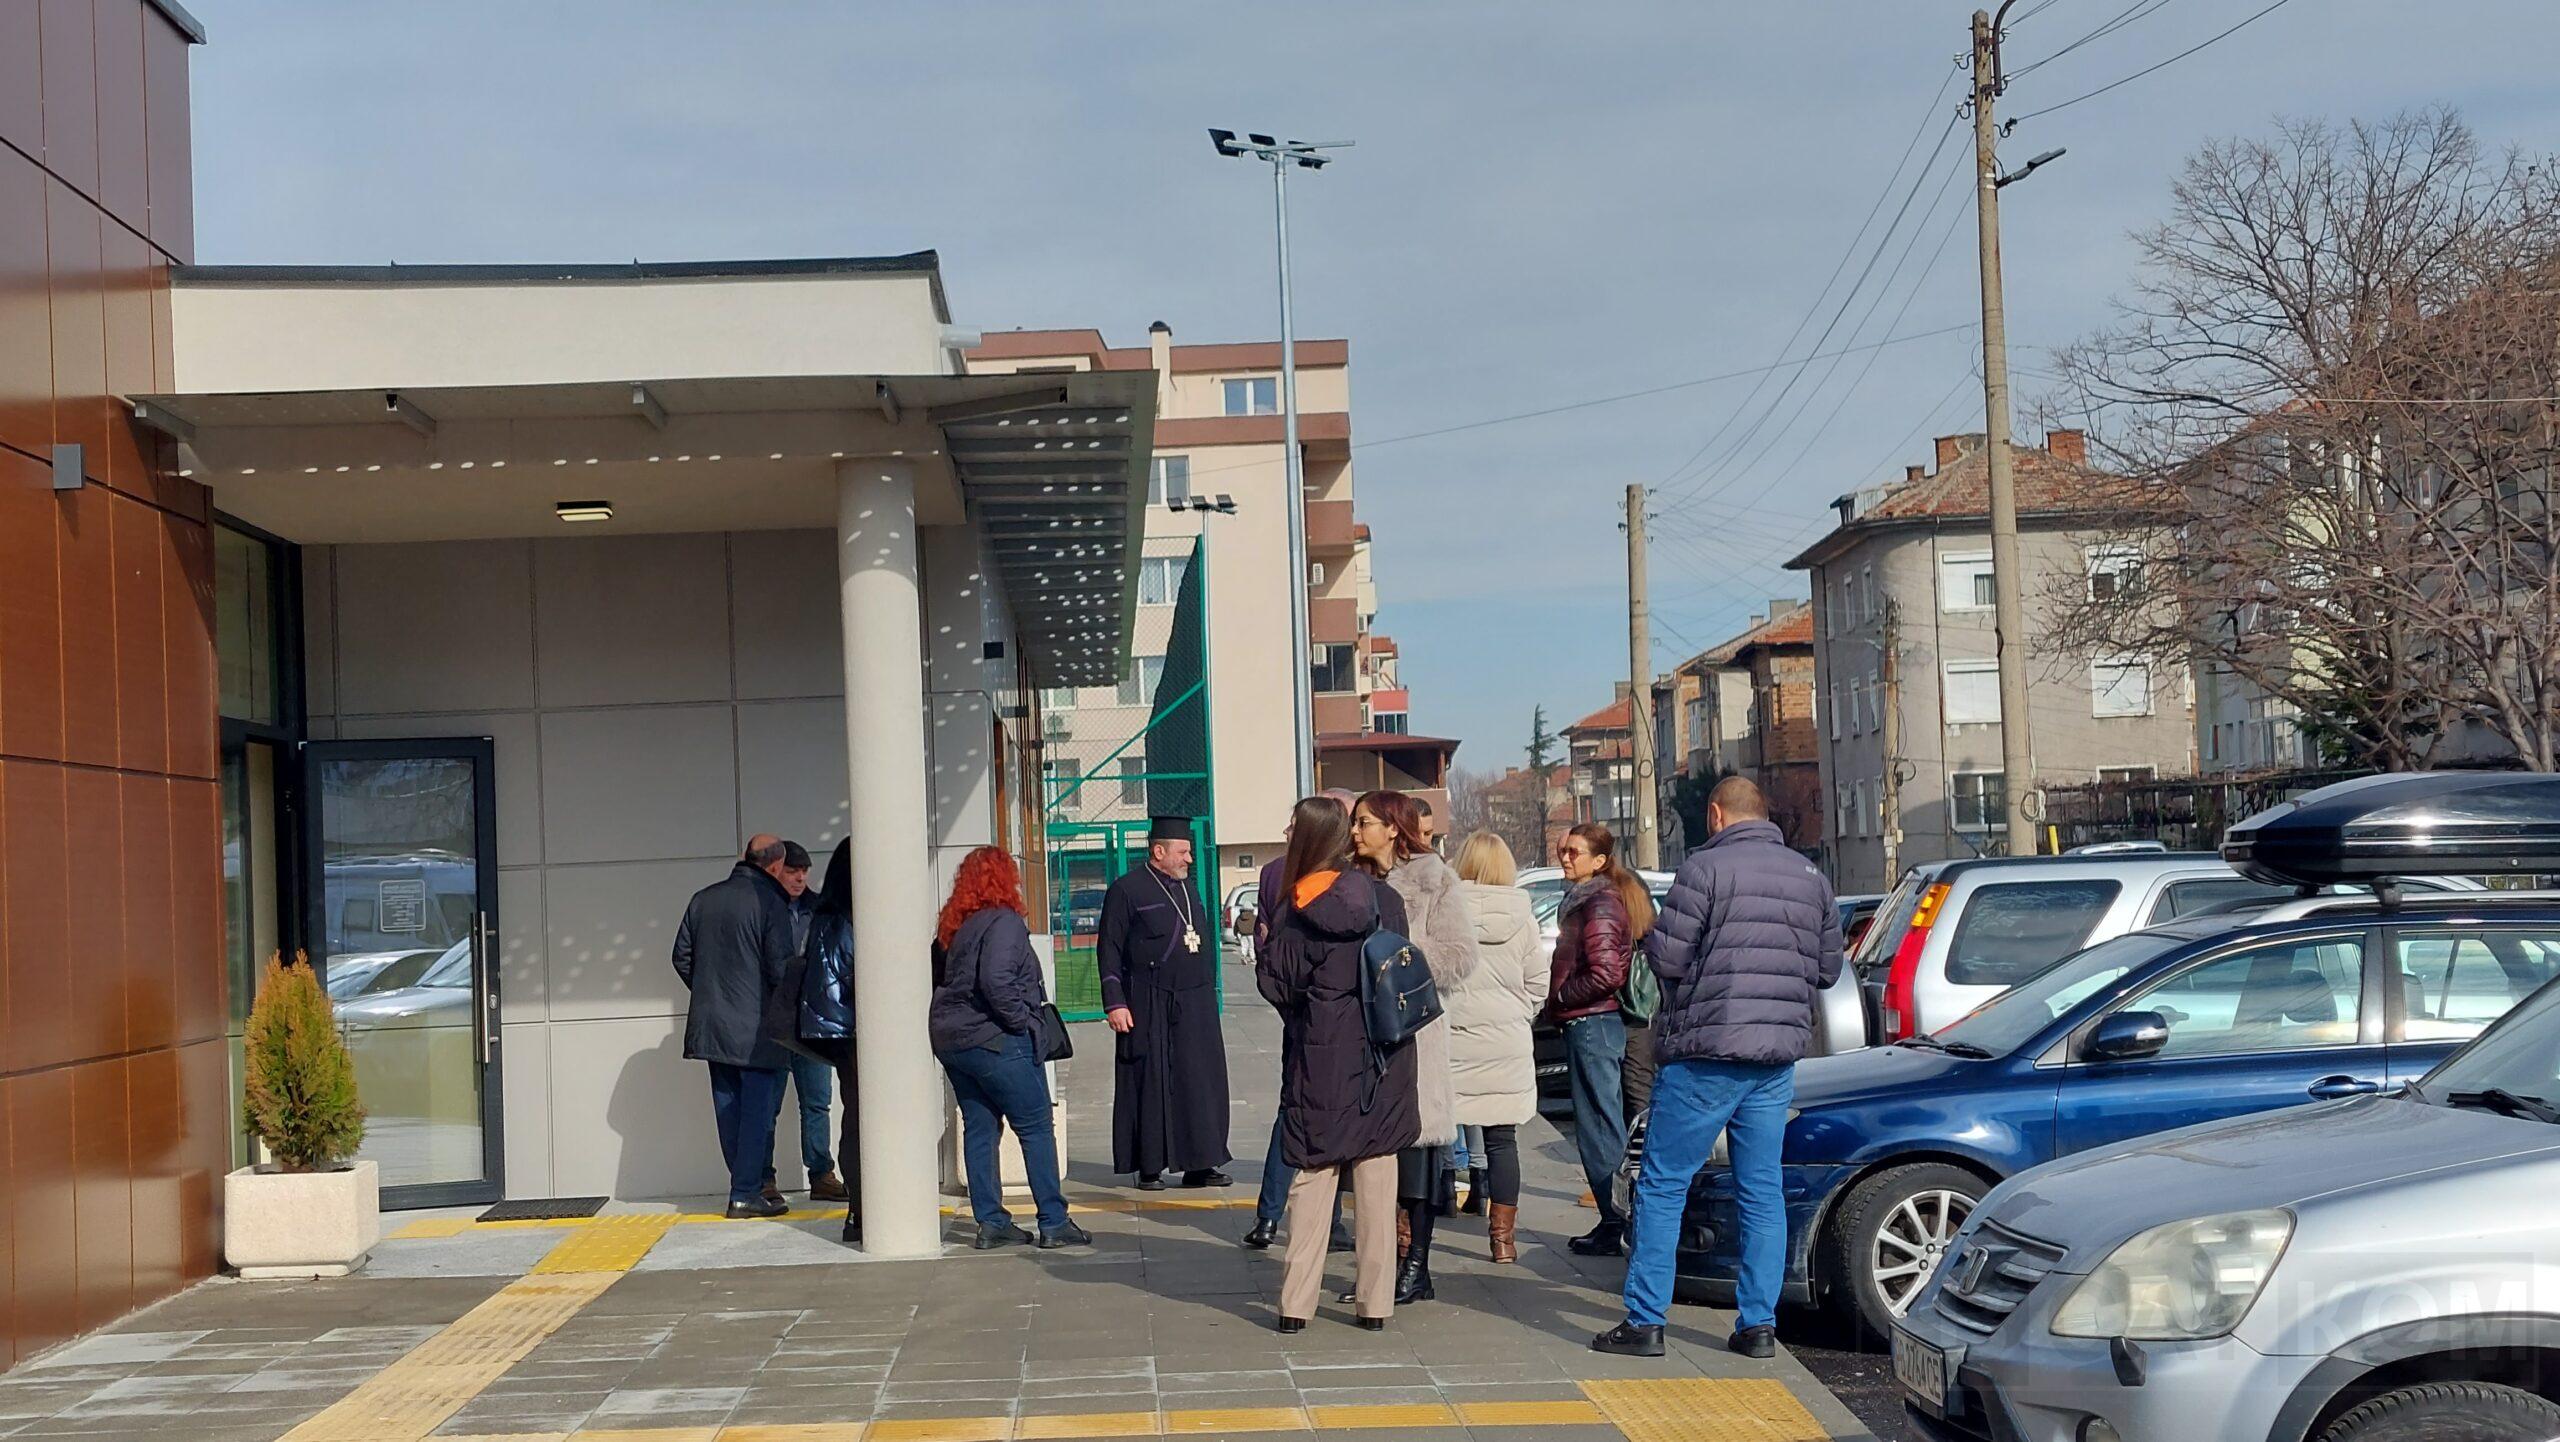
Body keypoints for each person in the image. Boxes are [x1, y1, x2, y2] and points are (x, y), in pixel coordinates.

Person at [1594, 777, 1842, 1360]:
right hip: (1775, 1057)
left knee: (1663, 1183)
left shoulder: (1704, 869)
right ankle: (1758, 1326)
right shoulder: (1810, 876)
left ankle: (1646, 1320)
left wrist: (1657, 945)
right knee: (1761, 1190)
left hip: (1706, 1052)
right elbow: (1828, 970)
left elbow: (1670, 957)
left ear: (1715, 814)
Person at [1259, 796, 1416, 1333]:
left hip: (1320, 1054)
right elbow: (1401, 968)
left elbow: (1276, 983)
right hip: (1384, 1055)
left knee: (1313, 1172)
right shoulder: (1385, 899)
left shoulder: (1296, 906)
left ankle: (1296, 1306)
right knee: (1377, 1175)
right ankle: (1375, 1306)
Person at [928, 846, 1090, 1251]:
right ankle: (1054, 1221)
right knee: (1036, 1127)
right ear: (1005, 879)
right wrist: (1023, 1023)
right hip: (996, 1039)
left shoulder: (955, 925)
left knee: (980, 1127)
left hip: (953, 1040)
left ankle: (992, 1222)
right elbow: (996, 980)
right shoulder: (1004, 922)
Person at [1353, 790, 1475, 1305]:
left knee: (1418, 1152)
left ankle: (1417, 1266)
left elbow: (1461, 955)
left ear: (1392, 828)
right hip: (1362, 1032)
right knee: (1371, 1155)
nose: (1355, 831)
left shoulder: (1434, 878)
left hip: (1415, 1030)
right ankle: (1380, 1265)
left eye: (1364, 822)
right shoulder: (1353, 879)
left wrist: (1397, 957)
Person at [1245, 792, 1355, 1254]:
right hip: (1339, 1021)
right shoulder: (1354, 883)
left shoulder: (1277, 874)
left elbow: (1267, 951)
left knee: (1292, 1109)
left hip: (1301, 1015)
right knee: (1332, 1117)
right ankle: (1329, 1222)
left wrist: (1288, 1003)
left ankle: (1270, 1216)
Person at [1100, 816, 1234, 1190]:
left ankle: (1200, 1162)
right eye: (1183, 852)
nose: (1189, 859)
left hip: (1194, 1001)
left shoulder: (1188, 889)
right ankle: (1149, 1165)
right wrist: (1115, 1002)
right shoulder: (1127, 890)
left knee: (1199, 1081)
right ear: (1159, 851)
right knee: (1150, 1081)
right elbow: (1109, 949)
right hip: (1147, 1000)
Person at [672, 834, 798, 1219]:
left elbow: (681, 957)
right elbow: (781, 968)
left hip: (713, 1025)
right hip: (756, 1029)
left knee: (728, 1109)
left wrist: (710, 992)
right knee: (757, 1113)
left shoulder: (703, 899)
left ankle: (744, 1185)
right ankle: (745, 1192)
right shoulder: (770, 902)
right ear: (775, 865)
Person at [1545, 821, 1653, 1257]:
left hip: (1593, 1022)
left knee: (1600, 1128)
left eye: (1575, 852)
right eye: (1564, 850)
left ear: (1600, 861)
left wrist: (1561, 998)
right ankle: (1615, 1220)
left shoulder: (1600, 901)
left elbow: (1608, 972)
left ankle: (1616, 1222)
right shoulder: (1588, 898)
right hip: (1590, 1022)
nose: (1565, 857)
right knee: (1601, 1126)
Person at [1447, 831, 1548, 1263]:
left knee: (1434, 1138)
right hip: (1506, 1042)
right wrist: (1517, 1014)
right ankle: (1503, 1241)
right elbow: (1538, 984)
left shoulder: (1447, 913)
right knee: (1502, 1141)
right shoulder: (1523, 918)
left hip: (1455, 1038)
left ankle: (1411, 1238)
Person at [763, 841, 848, 1207]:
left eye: (804, 872)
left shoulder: (820, 909)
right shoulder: (765, 908)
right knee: (768, 1105)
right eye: (792, 871)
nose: (799, 878)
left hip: (812, 1020)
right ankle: (764, 1178)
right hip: (775, 1021)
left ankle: (821, 1174)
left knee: (817, 1102)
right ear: (777, 871)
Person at [794, 838, 863, 1244]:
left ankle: (857, 1207)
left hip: (829, 1027)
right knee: (862, 1119)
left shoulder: (822, 915)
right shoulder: (855, 919)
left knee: (853, 1114)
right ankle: (862, 1207)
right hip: (855, 1029)